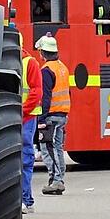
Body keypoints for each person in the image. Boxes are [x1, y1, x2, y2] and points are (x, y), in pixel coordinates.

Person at [36, 35, 69, 195]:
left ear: (42, 52)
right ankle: (57, 180)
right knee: (57, 148)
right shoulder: (62, 67)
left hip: (51, 116)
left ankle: (56, 181)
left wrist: (41, 119)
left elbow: (46, 96)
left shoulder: (47, 70)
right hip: (62, 114)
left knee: (48, 148)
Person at [21, 37, 43, 214]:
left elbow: (36, 92)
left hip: (26, 118)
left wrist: (21, 111)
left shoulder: (30, 63)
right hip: (21, 117)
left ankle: (26, 200)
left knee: (25, 159)